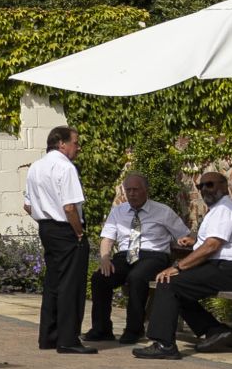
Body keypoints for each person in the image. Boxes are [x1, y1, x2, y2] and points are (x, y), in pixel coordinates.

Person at [132, 171, 232, 359]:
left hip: (231, 269)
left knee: (169, 282)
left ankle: (164, 344)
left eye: (210, 185)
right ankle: (214, 329)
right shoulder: (217, 210)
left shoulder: (225, 209)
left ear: (225, 186)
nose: (205, 190)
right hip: (221, 266)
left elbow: (212, 246)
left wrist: (178, 267)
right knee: (176, 287)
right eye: (201, 186)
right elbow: (209, 243)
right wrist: (195, 242)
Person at [86, 172, 184, 345]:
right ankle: (101, 329)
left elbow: (184, 234)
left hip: (153, 255)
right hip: (125, 255)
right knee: (100, 278)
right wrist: (104, 258)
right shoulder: (118, 211)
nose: (131, 193)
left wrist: (185, 241)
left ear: (146, 190)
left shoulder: (162, 211)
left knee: (137, 277)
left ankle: (134, 329)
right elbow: (107, 238)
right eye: (128, 190)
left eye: (136, 189)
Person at [24, 126, 98, 355]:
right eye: (75, 142)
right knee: (71, 285)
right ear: (61, 144)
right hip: (66, 230)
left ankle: (49, 336)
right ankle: (68, 339)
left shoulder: (35, 167)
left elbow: (27, 205)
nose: (78, 147)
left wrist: (45, 220)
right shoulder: (65, 167)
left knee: (53, 282)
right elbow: (69, 207)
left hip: (46, 228)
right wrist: (78, 233)